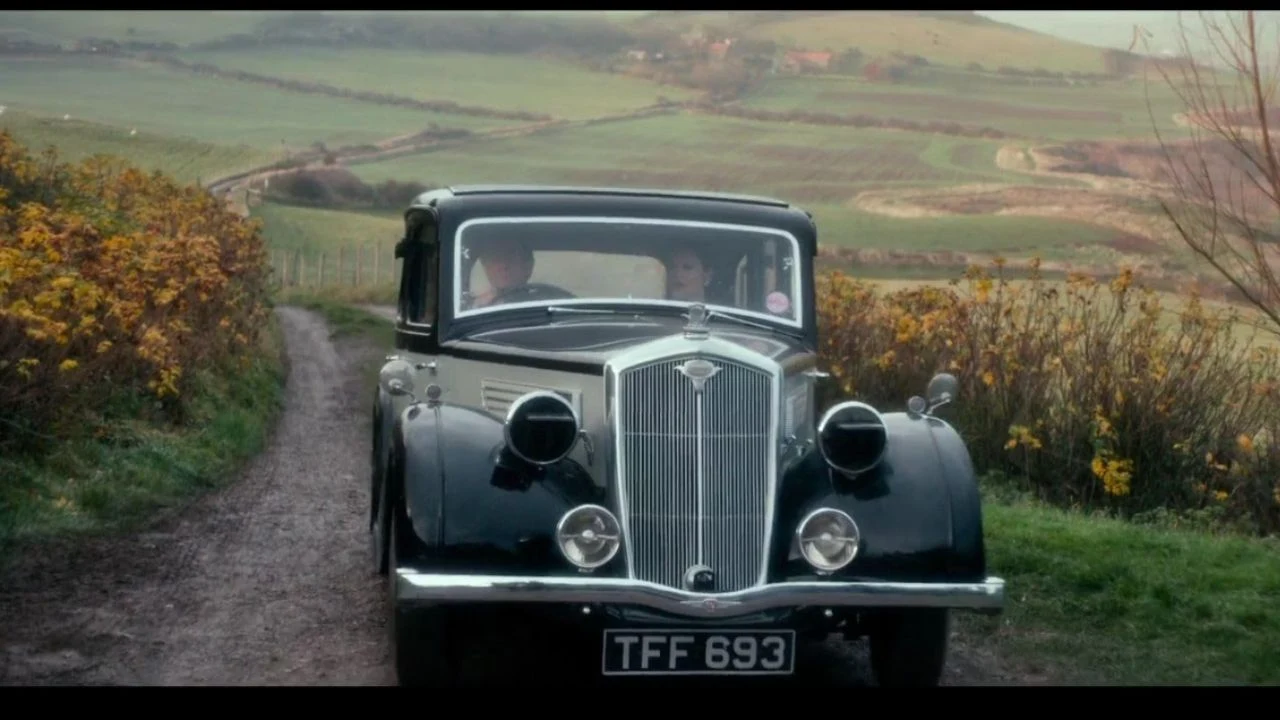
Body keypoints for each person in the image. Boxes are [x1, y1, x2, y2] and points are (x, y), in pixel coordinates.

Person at [468, 237, 534, 308]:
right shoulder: (474, 309)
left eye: (511, 257)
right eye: (496, 258)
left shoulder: (542, 303)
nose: (503, 265)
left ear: (528, 265)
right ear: (485, 267)